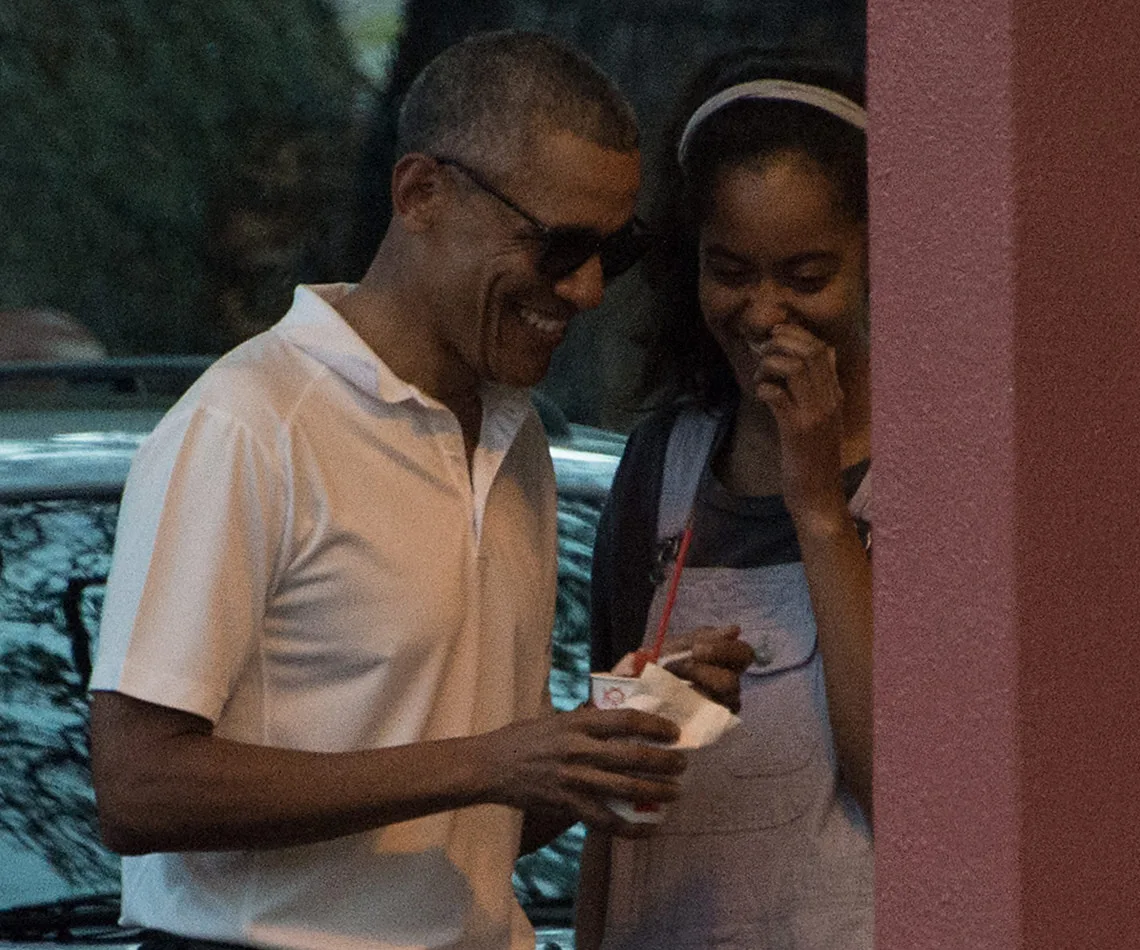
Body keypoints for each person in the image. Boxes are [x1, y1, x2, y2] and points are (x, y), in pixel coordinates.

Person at [88, 30, 741, 950]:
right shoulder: (249, 422)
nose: (589, 288)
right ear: (421, 193)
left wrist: (607, 739)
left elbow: (475, 822)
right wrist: (494, 760)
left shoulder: (517, 446)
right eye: (560, 245)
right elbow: (137, 786)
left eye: (615, 251)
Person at [577, 48, 874, 950]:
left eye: (808, 276)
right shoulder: (663, 467)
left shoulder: (943, 470)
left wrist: (819, 504)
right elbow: (604, 790)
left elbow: (912, 790)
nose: (763, 311)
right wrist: (658, 708)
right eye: (731, 270)